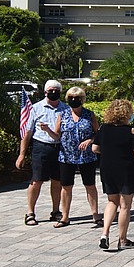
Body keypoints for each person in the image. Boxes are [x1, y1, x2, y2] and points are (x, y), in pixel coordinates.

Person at [92, 99, 134, 250]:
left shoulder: (103, 129)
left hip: (107, 169)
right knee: (125, 206)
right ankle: (123, 239)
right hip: (126, 170)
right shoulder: (130, 131)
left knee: (112, 201)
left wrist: (108, 152)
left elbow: (94, 148)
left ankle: (105, 233)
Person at [42, 87, 101, 228]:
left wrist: (90, 141)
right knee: (66, 186)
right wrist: (48, 130)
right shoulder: (62, 115)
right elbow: (57, 135)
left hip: (86, 156)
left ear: (82, 99)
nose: (74, 100)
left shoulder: (89, 115)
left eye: (77, 98)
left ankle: (95, 215)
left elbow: (98, 134)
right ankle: (65, 217)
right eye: (71, 98)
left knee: (90, 185)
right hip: (67, 157)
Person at [17, 80, 70, 226]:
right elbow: (27, 133)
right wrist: (22, 154)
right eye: (50, 90)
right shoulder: (35, 108)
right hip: (41, 147)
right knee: (36, 180)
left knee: (57, 181)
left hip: (59, 148)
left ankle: (56, 211)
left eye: (56, 90)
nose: (53, 92)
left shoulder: (66, 109)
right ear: (45, 92)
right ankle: (30, 213)